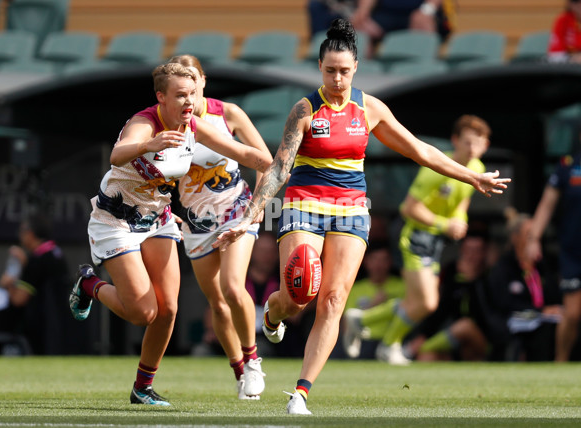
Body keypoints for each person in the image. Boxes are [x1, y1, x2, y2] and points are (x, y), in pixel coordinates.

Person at [214, 19, 510, 415]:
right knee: (298, 297)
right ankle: (273, 311)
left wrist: (471, 175)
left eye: (345, 71)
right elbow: (280, 169)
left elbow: (420, 150)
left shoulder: (369, 109)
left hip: (351, 210)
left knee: (333, 300)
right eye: (330, 70)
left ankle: (300, 393)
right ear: (320, 68)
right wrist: (250, 216)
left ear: (356, 69)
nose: (338, 78)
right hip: (304, 204)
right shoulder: (304, 109)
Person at [68, 62, 272, 406]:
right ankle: (90, 285)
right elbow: (117, 155)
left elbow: (244, 154)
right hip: (116, 220)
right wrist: (149, 144)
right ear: (161, 97)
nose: (189, 101)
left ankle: (142, 388)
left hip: (159, 219)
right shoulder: (144, 122)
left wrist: (277, 162)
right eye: (180, 95)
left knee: (168, 310)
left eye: (192, 94)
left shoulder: (193, 125)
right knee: (142, 313)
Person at [344, 114, 493, 366]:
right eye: (467, 142)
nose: (472, 149)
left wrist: (460, 220)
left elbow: (462, 201)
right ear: (455, 141)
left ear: (486, 145)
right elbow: (409, 208)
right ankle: (387, 345)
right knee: (427, 301)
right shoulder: (436, 169)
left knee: (419, 302)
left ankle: (362, 322)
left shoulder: (476, 169)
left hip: (435, 239)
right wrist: (445, 224)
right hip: (415, 237)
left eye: (478, 144)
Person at [167, 54, 272, 400]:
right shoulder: (166, 123)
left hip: (236, 209)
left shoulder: (227, 114)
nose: (188, 92)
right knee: (216, 302)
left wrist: (258, 206)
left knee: (231, 286)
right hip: (196, 221)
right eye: (180, 87)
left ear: (202, 81)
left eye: (193, 81)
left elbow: (267, 162)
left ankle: (254, 361)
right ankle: (240, 371)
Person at [0, 214, 70, 355]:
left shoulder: (38, 259)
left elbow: (18, 300)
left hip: (36, 325)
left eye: (22, 232)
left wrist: (9, 282)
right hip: (57, 323)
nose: (20, 236)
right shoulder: (56, 253)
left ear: (30, 234)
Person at [405, 230, 493, 362]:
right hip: (454, 340)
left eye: (477, 251)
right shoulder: (451, 272)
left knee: (465, 326)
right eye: (468, 250)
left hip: (485, 340)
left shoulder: (490, 276)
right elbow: (442, 309)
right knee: (427, 357)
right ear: (462, 250)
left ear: (485, 253)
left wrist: (473, 283)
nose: (472, 256)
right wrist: (425, 334)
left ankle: (413, 350)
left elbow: (488, 315)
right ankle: (421, 351)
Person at [527, 147, 581, 361]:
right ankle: (561, 361)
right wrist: (533, 238)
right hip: (573, 250)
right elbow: (547, 205)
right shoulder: (568, 164)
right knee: (573, 313)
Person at [487, 208, 562, 361]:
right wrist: (541, 310)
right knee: (543, 332)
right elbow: (504, 302)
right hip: (515, 324)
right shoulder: (503, 267)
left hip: (547, 319)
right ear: (515, 238)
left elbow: (556, 296)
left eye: (536, 236)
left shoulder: (542, 266)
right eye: (529, 235)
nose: (533, 240)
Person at [342, 241, 405, 359]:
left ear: (390, 262)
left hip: (393, 340)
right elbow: (347, 322)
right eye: (374, 259)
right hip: (364, 341)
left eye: (384, 260)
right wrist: (373, 304)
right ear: (366, 261)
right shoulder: (355, 289)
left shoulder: (402, 286)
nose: (379, 265)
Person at [350, 0, 455, 57]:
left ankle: (421, 79)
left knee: (425, 25)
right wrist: (363, 11)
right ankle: (362, 82)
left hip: (421, 9)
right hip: (386, 12)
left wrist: (426, 11)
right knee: (359, 29)